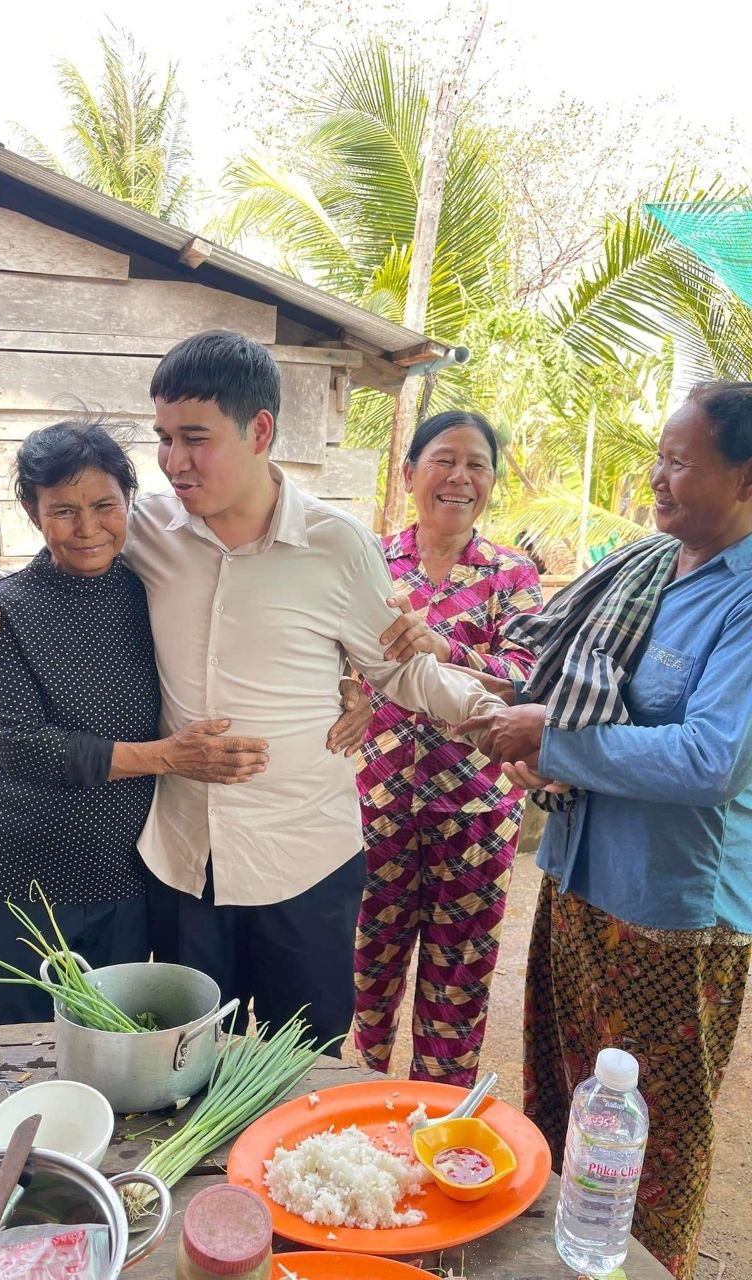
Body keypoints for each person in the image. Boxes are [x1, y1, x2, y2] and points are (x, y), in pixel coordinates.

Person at [0, 331, 507, 1050]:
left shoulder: (337, 544)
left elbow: (398, 666)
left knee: (298, 1060)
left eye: (195, 438)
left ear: (260, 431)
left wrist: (494, 715)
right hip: (183, 864)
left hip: (300, 858)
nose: (174, 460)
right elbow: (67, 545)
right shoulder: (147, 526)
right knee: (185, 1056)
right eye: (164, 438)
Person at [457, 382, 752, 1280]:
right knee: (564, 1093)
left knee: (649, 1136)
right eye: (658, 456)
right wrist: (543, 744)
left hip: (671, 912)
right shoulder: (652, 568)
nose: (657, 478)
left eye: (679, 462)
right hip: (581, 876)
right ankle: (555, 1262)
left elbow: (710, 760)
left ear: (746, 479)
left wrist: (553, 739)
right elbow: (596, 703)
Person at [0, 420, 271, 1026]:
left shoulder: (154, 593)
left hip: (124, 880)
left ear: (129, 501)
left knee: (109, 1052)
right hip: (20, 881)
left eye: (105, 505)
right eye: (63, 510)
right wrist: (167, 756)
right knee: (4, 1053)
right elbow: (26, 749)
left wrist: (352, 686)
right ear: (32, 512)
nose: (87, 528)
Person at [354, 411, 542, 1085]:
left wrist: (445, 649)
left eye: (477, 464)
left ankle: (439, 1119)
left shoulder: (511, 573)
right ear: (409, 473)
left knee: (457, 985)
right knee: (364, 971)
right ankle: (358, 1099)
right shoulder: (370, 561)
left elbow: (526, 678)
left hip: (476, 815)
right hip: (372, 805)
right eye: (444, 459)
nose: (460, 476)